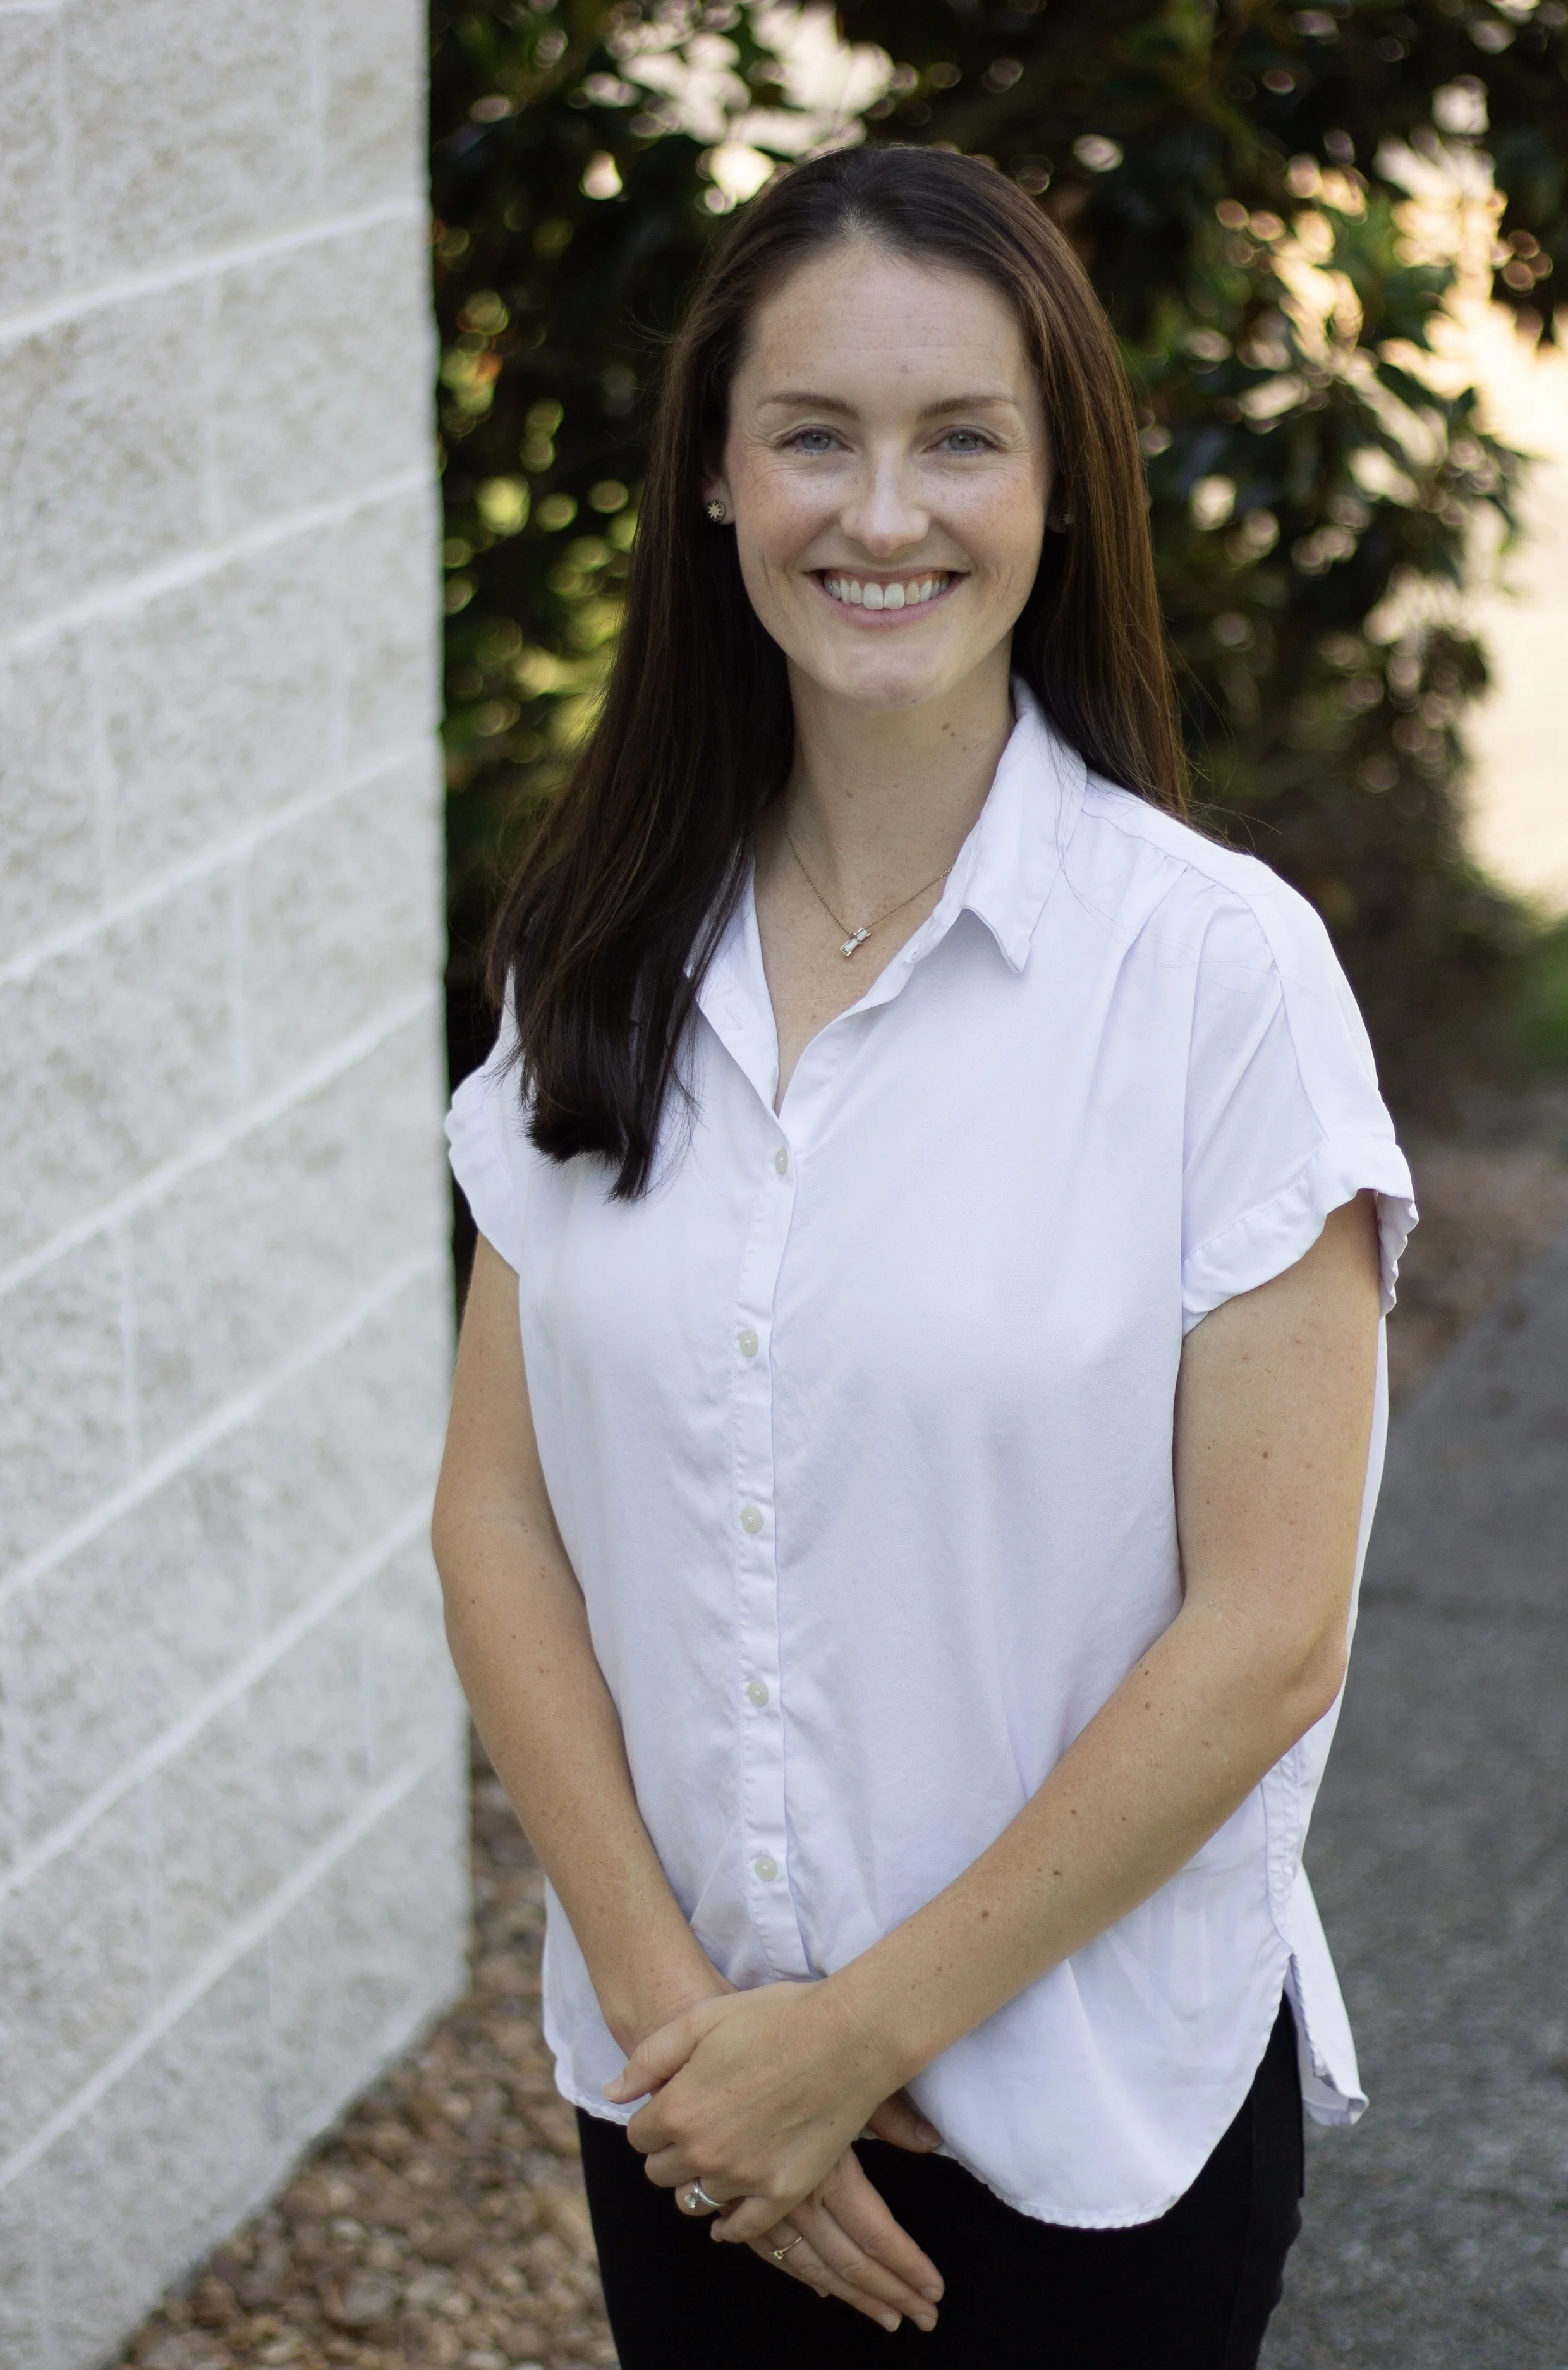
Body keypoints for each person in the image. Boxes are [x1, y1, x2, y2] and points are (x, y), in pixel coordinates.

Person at [432, 146, 1415, 2367]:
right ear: (714, 475)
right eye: (814, 436)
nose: (883, 513)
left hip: (1079, 2138)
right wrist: (705, 2048)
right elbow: (497, 1515)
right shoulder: (592, 944)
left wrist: (850, 2038)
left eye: (958, 437)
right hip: (682, 2110)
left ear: (1059, 489)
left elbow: (1267, 1631)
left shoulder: (1213, 978)